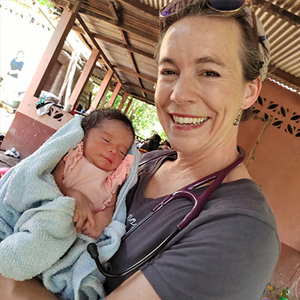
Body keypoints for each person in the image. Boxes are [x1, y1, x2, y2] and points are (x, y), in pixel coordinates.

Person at [0, 0, 280, 299]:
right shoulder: (146, 164)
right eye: (169, 71)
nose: (179, 94)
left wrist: (10, 280)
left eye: (209, 72)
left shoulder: (242, 230)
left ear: (249, 91)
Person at [52, 108, 135, 239]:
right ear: (84, 134)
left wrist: (100, 222)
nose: (113, 150)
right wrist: (72, 194)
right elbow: (51, 182)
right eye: (107, 140)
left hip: (79, 233)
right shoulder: (73, 157)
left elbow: (110, 208)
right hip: (52, 215)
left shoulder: (112, 179)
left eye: (122, 152)